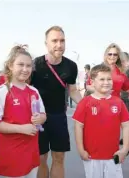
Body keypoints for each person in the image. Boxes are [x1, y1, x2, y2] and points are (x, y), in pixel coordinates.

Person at [31, 26, 82, 178]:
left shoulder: (71, 66)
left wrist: (88, 104)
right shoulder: (35, 65)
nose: (59, 45)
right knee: (41, 159)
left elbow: (73, 91)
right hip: (38, 119)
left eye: (62, 41)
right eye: (54, 41)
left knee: (59, 158)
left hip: (59, 117)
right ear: (46, 43)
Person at [0, 45, 46, 178]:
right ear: (10, 66)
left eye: (29, 66)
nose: (25, 69)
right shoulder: (1, 92)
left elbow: (43, 115)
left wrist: (40, 118)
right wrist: (22, 129)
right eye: (21, 64)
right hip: (11, 155)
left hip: (31, 152)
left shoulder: (34, 91)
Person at [73, 64, 129, 178]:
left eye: (109, 79)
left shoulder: (118, 103)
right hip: (91, 156)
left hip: (113, 156)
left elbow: (126, 125)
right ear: (92, 82)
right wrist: (81, 149)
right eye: (102, 79)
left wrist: (125, 149)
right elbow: (78, 126)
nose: (106, 82)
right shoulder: (85, 103)